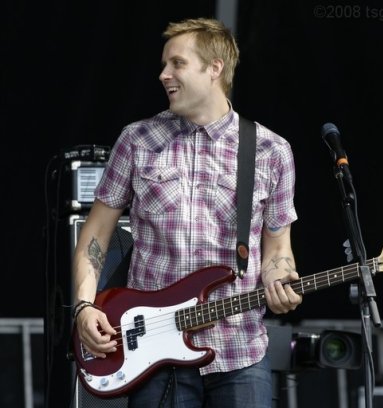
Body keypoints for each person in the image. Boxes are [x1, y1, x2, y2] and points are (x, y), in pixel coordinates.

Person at [72, 17, 302, 408]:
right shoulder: (138, 140)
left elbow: (277, 248)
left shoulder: (270, 151)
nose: (163, 75)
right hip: (154, 351)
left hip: (239, 351)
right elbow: (95, 236)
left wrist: (281, 283)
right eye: (164, 65)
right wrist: (84, 306)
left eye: (177, 63)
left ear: (215, 68)